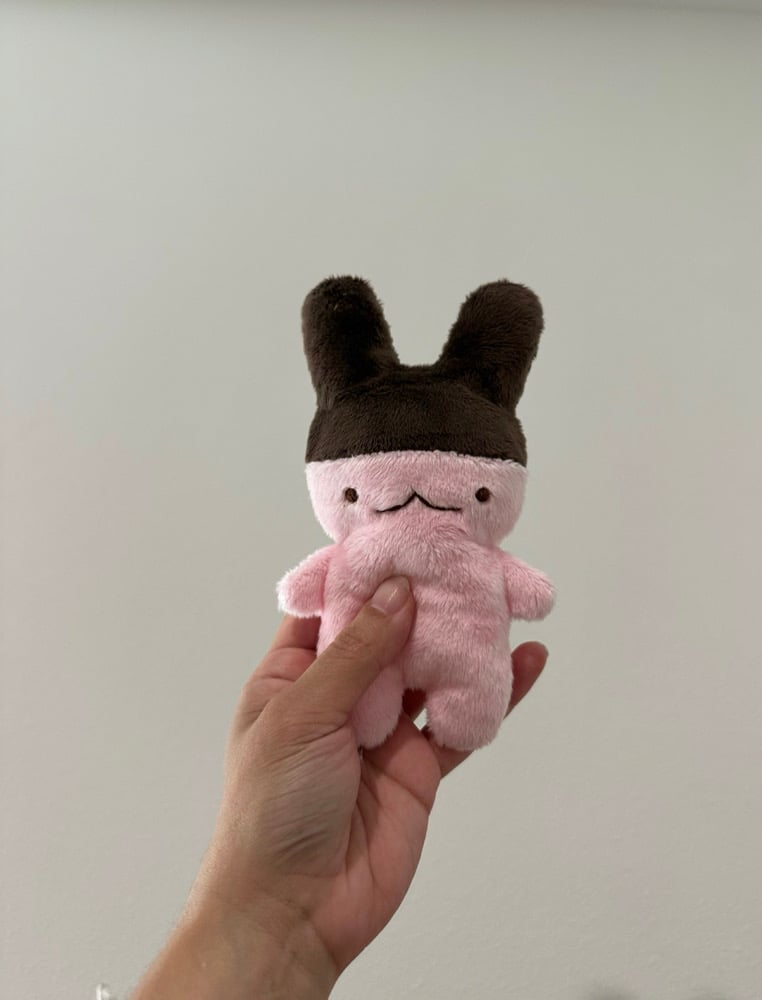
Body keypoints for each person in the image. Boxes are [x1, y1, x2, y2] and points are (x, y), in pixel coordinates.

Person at [131, 577, 548, 999]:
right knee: (381, 697)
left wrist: (268, 910)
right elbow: (302, 589)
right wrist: (272, 908)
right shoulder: (363, 568)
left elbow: (530, 591)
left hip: (458, 654)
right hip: (397, 670)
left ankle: (460, 702)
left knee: (461, 682)